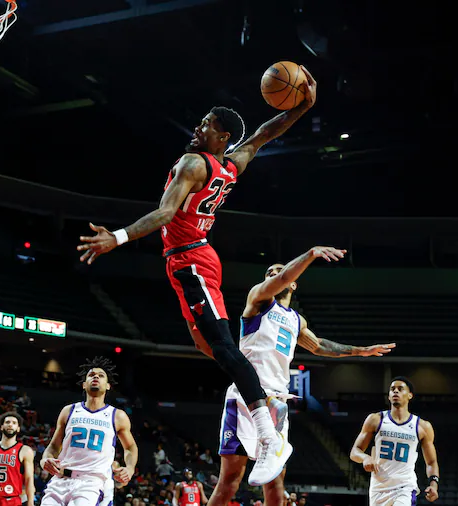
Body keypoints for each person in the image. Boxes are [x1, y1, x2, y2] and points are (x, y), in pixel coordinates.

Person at [77, 66, 321, 486]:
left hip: (191, 261)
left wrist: (116, 238)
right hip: (187, 261)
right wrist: (305, 106)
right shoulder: (232, 163)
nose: (198, 127)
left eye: (207, 124)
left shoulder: (193, 162)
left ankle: (269, 436)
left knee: (225, 349)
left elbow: (166, 213)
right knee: (204, 343)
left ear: (222, 136)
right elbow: (266, 131)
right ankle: (253, 380)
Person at [207, 246, 397, 506]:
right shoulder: (259, 300)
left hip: (276, 400)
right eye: (270, 273)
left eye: (280, 272)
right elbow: (283, 277)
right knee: (230, 479)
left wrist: (361, 351)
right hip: (245, 397)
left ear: (294, 286)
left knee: (276, 480)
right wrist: (310, 255)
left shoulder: (296, 320)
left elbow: (319, 346)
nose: (276, 275)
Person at [40, 357, 138, 506]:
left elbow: (130, 447)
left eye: (101, 375)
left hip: (91, 482)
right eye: (91, 375)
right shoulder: (69, 411)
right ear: (84, 385)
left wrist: (130, 468)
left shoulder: (117, 416)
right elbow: (53, 447)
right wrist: (45, 459)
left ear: (108, 386)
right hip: (61, 479)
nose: (96, 377)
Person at [349, 377, 440, 506]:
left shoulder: (422, 426)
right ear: (389, 396)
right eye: (392, 389)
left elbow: (431, 462)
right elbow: (355, 451)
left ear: (410, 395)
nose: (395, 392)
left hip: (405, 486)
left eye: (400, 389)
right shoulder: (375, 419)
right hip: (379, 487)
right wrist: (365, 458)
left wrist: (433, 484)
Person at [0, 412, 36, 506]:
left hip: (12, 500)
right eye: (7, 422)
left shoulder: (25, 450)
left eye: (14, 423)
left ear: (18, 428)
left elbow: (29, 480)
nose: (10, 424)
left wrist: (30, 503)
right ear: (1, 427)